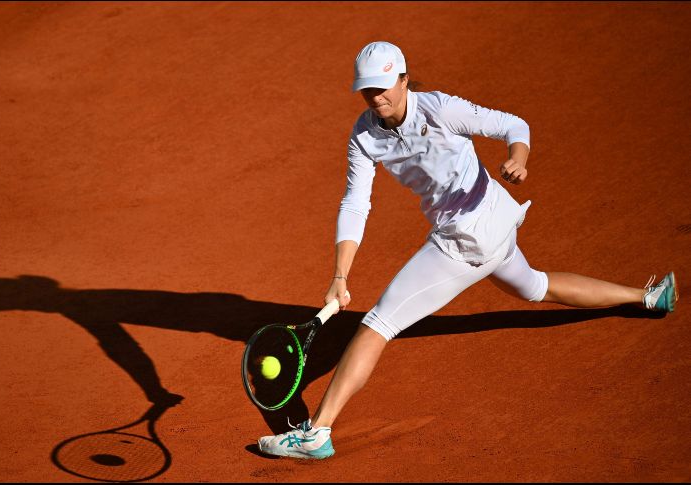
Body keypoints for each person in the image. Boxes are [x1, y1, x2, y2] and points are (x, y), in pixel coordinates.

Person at [257, 41, 678, 460]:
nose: (376, 96)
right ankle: (647, 296)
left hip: (467, 238)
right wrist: (340, 275)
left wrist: (519, 157)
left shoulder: (441, 109)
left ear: (404, 79)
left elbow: (513, 125)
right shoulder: (364, 136)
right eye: (367, 89)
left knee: (376, 325)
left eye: (384, 86)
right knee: (536, 287)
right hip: (494, 226)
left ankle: (318, 432)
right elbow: (356, 202)